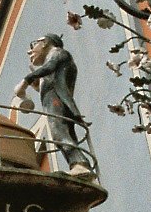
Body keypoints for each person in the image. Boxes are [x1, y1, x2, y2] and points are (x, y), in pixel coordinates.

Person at [12, 34, 97, 179]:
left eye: (33, 45)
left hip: (57, 102)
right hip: (55, 101)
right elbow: (55, 80)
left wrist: (26, 80)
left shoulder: (57, 54)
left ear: (44, 43)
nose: (29, 51)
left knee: (59, 131)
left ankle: (80, 164)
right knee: (61, 133)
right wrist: (39, 86)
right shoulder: (54, 61)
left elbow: (50, 68)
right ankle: (77, 164)